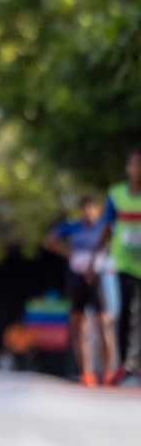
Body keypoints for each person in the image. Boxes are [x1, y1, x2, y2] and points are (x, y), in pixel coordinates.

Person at [43, 194, 114, 385]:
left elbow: (115, 244)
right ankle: (86, 373)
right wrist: (68, 254)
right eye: (85, 208)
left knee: (103, 325)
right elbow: (49, 241)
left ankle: (108, 373)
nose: (88, 212)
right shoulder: (72, 227)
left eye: (92, 208)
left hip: (98, 278)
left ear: (98, 211)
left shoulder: (105, 227)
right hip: (76, 279)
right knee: (78, 326)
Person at [96, 146, 141, 386]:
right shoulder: (117, 194)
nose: (138, 169)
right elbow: (106, 226)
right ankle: (125, 365)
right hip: (124, 262)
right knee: (125, 313)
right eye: (134, 164)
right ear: (127, 167)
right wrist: (96, 257)